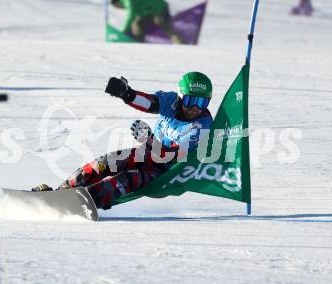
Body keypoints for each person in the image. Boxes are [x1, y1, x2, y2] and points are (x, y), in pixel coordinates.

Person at [33, 72, 213, 210]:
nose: (195, 108)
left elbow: (171, 157)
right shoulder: (171, 101)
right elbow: (150, 102)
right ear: (181, 97)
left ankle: (85, 201)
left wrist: (149, 139)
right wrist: (127, 94)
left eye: (202, 102)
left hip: (166, 174)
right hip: (148, 153)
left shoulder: (202, 125)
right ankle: (60, 193)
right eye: (191, 100)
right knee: (105, 163)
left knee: (127, 178)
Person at [111, 0, 184, 44]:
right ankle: (140, 45)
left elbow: (131, 16)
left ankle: (181, 44)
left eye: (117, 7)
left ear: (117, 2)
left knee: (167, 28)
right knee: (137, 25)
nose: (120, 8)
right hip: (150, 11)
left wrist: (124, 32)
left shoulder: (127, 1)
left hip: (159, 7)